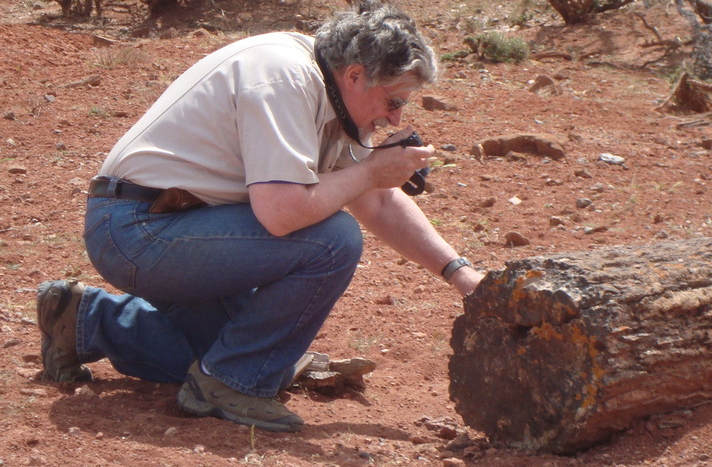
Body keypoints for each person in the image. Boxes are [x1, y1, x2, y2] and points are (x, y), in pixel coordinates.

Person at [36, 0, 483, 433]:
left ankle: (84, 320)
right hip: (139, 230)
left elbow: (380, 201)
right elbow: (283, 213)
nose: (395, 117)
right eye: (393, 101)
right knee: (333, 239)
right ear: (355, 76)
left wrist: (460, 274)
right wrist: (370, 170)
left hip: (169, 228)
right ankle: (230, 384)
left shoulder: (331, 95)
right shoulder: (284, 78)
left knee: (242, 353)